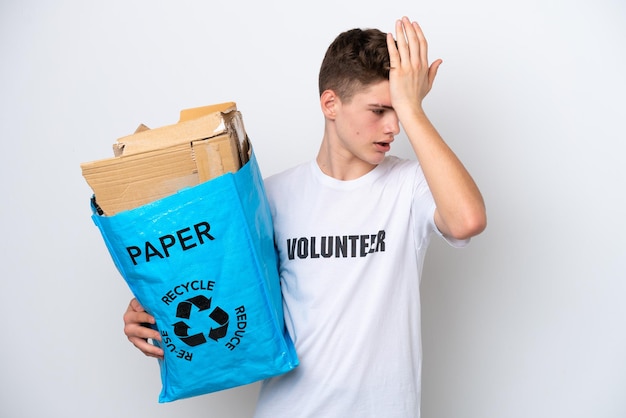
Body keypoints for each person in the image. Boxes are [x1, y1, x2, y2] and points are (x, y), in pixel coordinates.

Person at [123, 16, 486, 417]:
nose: (394, 126)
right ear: (331, 104)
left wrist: (413, 108)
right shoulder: (272, 196)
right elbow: (218, 287)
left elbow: (466, 220)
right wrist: (152, 313)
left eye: (398, 110)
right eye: (380, 110)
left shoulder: (409, 185)